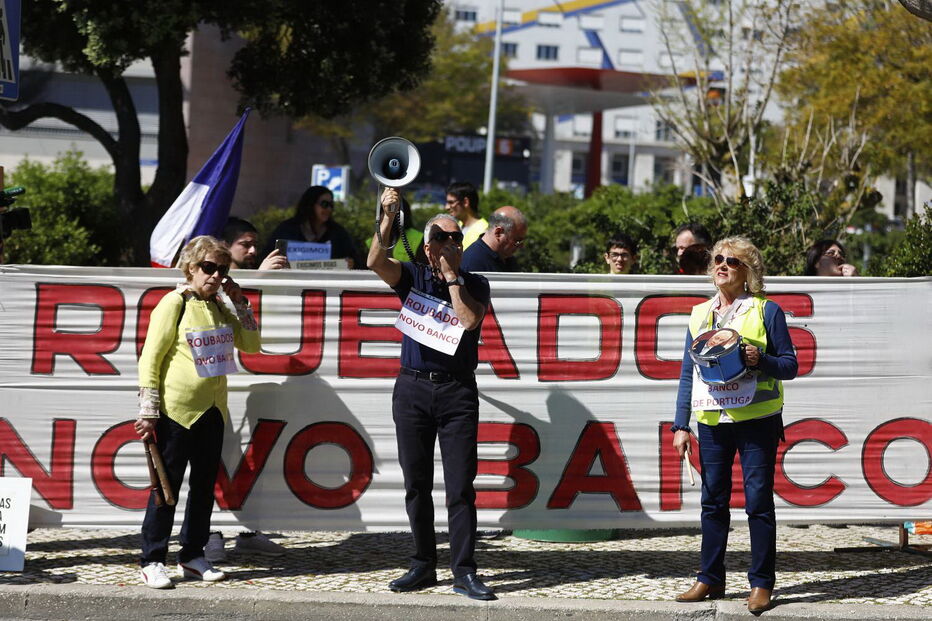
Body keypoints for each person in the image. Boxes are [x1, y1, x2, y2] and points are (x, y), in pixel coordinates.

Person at [367, 187, 495, 601]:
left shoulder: (475, 282)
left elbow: (469, 321)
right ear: (426, 246)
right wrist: (388, 217)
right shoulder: (411, 276)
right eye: (442, 238)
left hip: (457, 392)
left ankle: (464, 571)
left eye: (458, 238)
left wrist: (454, 278)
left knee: (460, 486)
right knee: (416, 483)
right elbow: (374, 262)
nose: (451, 244)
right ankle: (423, 564)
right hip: (413, 389)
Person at [672, 236, 798, 614]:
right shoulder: (699, 314)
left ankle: (761, 584)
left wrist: (761, 360)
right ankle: (709, 578)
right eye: (717, 260)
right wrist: (681, 425)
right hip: (711, 419)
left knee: (758, 502)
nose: (721, 265)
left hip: (757, 420)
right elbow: (686, 374)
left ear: (749, 272)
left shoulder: (766, 310)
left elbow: (790, 366)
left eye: (732, 261)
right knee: (712, 502)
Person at [136, 236, 261, 589]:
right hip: (176, 410)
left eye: (222, 269)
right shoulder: (173, 302)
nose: (216, 275)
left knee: (205, 487)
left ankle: (192, 554)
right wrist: (149, 410)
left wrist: (240, 303)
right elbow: (151, 357)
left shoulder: (221, 305)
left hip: (213, 410)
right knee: (165, 487)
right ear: (191, 267)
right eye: (209, 267)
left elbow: (251, 345)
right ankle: (152, 559)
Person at [262, 185, 362, 268]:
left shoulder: (338, 233)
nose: (329, 209)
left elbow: (357, 262)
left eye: (331, 205)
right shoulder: (287, 230)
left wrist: (350, 263)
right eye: (324, 204)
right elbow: (268, 257)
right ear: (310, 204)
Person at [461, 205, 527, 272]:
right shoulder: (472, 263)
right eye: (517, 241)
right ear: (498, 233)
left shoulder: (507, 259)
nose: (521, 246)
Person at [365, 195, 427, 263]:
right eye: (384, 212)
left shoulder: (419, 239)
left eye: (393, 212)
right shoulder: (371, 242)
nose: (388, 216)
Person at [222, 217, 288, 270]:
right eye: (246, 245)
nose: (253, 251)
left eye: (256, 245)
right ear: (226, 246)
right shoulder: (218, 278)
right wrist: (261, 274)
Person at [445, 181, 487, 249]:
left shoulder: (484, 231)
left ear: (465, 202)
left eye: (451, 202)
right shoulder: (458, 225)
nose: (446, 207)